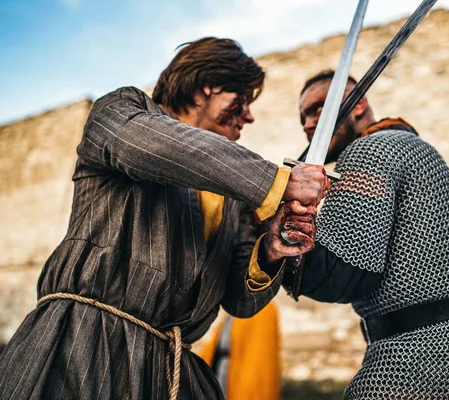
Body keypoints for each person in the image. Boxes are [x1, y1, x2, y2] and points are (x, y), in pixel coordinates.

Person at [0, 38, 326, 400]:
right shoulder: (122, 112)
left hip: (172, 371)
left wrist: (271, 249)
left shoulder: (236, 193)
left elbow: (240, 301)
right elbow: (158, 148)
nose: (249, 115)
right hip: (82, 346)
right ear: (210, 85)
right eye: (242, 100)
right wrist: (277, 181)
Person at [283, 70, 449, 399]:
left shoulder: (370, 152)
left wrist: (271, 236)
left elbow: (344, 273)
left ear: (358, 104)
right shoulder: (414, 149)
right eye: (303, 116)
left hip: (421, 360)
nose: (309, 123)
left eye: (317, 109)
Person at [198, 301, 282, 400]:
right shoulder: (234, 310)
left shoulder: (265, 310)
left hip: (240, 374)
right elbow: (215, 345)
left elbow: (260, 358)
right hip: (221, 369)